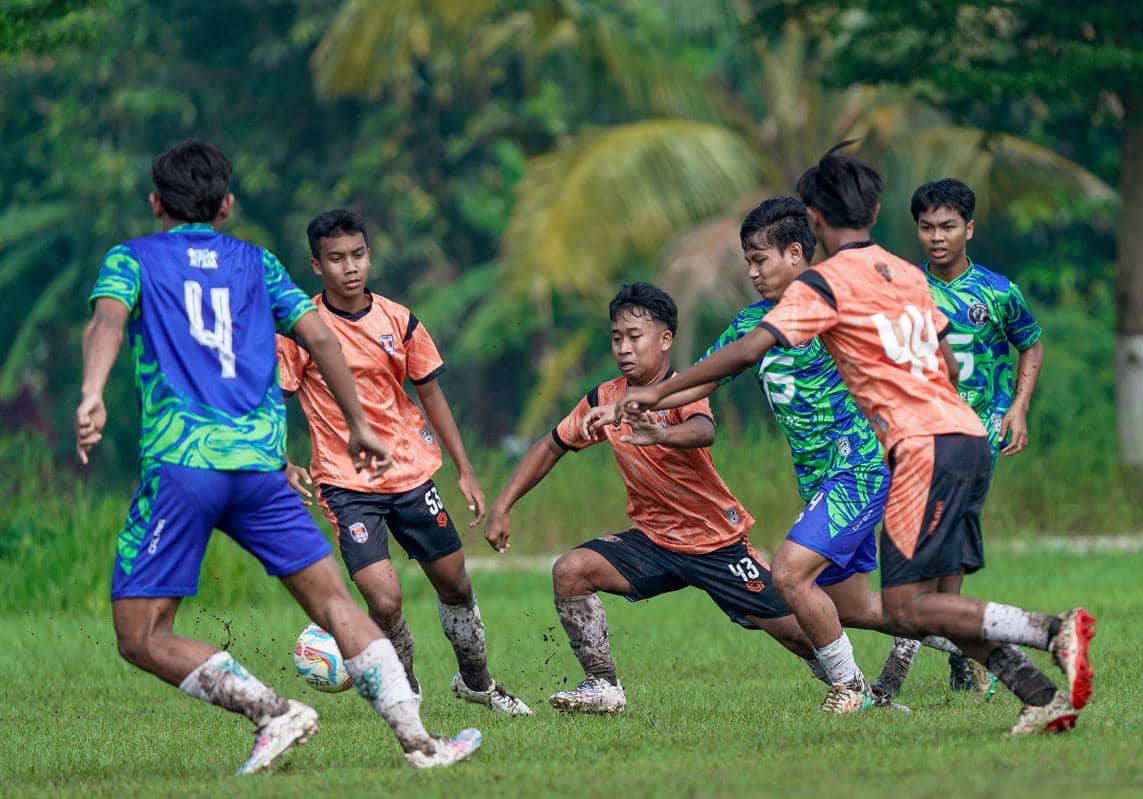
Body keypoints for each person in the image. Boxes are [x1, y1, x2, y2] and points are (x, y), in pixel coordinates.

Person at [617, 143, 1094, 735]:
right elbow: (944, 361)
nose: (755, 270)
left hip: (899, 454)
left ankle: (1048, 632)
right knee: (874, 608)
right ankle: (1037, 688)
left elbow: (745, 353)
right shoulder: (901, 272)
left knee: (794, 573)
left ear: (814, 223)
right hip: (949, 441)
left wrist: (654, 395)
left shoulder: (823, 284)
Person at [74, 140, 481, 774]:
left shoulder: (130, 259)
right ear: (228, 204)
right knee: (337, 606)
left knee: (141, 635)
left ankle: (272, 711)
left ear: (155, 202)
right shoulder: (257, 264)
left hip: (185, 467)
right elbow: (318, 333)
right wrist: (358, 424)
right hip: (262, 471)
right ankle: (422, 744)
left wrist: (92, 393)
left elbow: (105, 324)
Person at [588, 198, 974, 713]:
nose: (751, 272)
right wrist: (642, 401)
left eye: (758, 259)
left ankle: (852, 694)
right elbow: (701, 377)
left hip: (862, 466)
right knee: (848, 606)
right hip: (821, 480)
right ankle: (976, 642)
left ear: (796, 254)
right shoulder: (752, 321)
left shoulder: (837, 306)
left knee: (789, 575)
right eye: (747, 261)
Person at [484, 283, 818, 713]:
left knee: (796, 633)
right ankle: (603, 685)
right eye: (616, 337)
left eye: (634, 336)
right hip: (654, 543)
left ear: (665, 340)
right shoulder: (604, 399)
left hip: (715, 543)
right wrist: (503, 504)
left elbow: (704, 431)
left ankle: (853, 681)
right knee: (571, 571)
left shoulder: (683, 388)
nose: (623, 347)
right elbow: (552, 445)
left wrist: (661, 434)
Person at [277, 208, 530, 716]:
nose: (350, 267)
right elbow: (272, 397)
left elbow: (431, 395)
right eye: (336, 259)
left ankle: (477, 682)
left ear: (369, 255)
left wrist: (464, 468)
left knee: (456, 582)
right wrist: (281, 459)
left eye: (358, 255)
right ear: (316, 265)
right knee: (384, 598)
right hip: (345, 483)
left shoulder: (400, 320)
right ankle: (405, 684)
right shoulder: (300, 328)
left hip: (412, 473)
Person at [874, 179, 1045, 698]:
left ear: (969, 228)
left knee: (936, 547)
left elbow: (1031, 345)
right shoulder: (904, 291)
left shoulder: (997, 291)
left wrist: (1018, 409)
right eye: (927, 227)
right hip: (918, 434)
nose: (937, 237)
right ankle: (962, 649)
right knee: (935, 549)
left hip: (975, 438)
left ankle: (898, 677)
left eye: (948, 226)